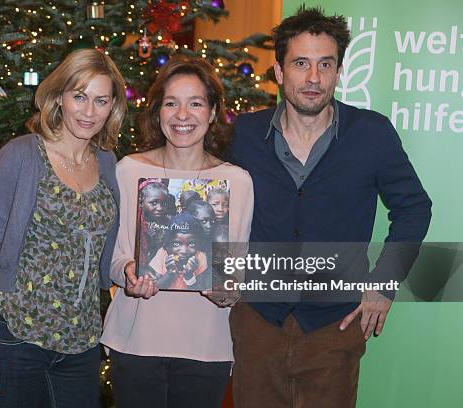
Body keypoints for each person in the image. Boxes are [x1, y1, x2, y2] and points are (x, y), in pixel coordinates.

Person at [228, 7, 432, 408]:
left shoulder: (371, 133)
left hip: (335, 326)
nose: (313, 78)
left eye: (326, 64)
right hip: (256, 323)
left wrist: (383, 282)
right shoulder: (242, 135)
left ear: (339, 71)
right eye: (301, 63)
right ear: (279, 70)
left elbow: (414, 208)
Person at [0, 48, 126, 408]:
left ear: (112, 107)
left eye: (101, 100)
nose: (89, 111)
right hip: (17, 337)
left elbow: (111, 247)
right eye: (79, 96)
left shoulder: (108, 163)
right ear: (59, 97)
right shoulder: (20, 155)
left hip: (83, 344)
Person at [101, 55, 254, 408]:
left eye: (195, 103)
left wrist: (229, 289)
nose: (182, 115)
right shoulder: (129, 170)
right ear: (158, 112)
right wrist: (126, 271)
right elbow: (113, 255)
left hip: (206, 346)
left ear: (213, 112)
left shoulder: (237, 182)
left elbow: (236, 268)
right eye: (171, 103)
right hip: (136, 342)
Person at [145, 212, 210, 290]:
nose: (184, 251)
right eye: (176, 243)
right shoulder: (163, 254)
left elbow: (200, 291)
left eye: (191, 244)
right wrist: (170, 273)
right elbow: (155, 288)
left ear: (198, 243)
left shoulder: (200, 257)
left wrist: (189, 276)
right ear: (168, 243)